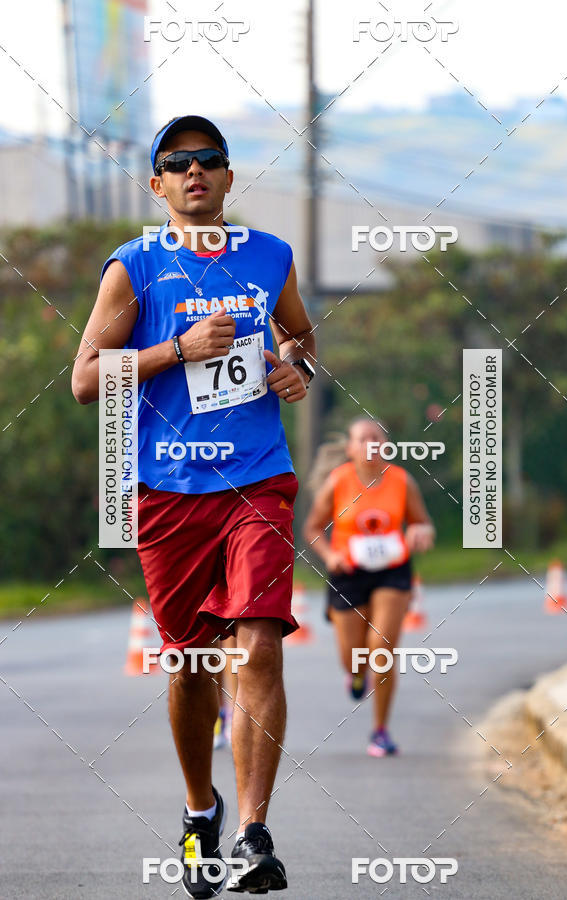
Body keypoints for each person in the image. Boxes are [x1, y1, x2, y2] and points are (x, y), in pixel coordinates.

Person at [72, 114, 317, 897]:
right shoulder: (134, 267)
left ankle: (253, 830)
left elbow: (302, 339)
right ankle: (198, 809)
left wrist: (293, 366)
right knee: (190, 665)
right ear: (158, 185)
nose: (195, 171)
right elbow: (85, 380)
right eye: (178, 163)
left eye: (209, 159)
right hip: (168, 490)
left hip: (258, 480)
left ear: (229, 176)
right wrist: (177, 350)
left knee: (260, 643)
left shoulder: (268, 255)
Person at [304, 417, 435, 757]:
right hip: (348, 572)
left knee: (382, 648)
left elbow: (422, 522)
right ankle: (356, 674)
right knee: (352, 657)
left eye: (376, 438)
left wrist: (422, 532)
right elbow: (314, 529)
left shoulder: (402, 481)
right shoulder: (338, 481)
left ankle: (380, 731)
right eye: (362, 439)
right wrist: (329, 554)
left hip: (393, 570)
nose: (370, 445)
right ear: (350, 448)